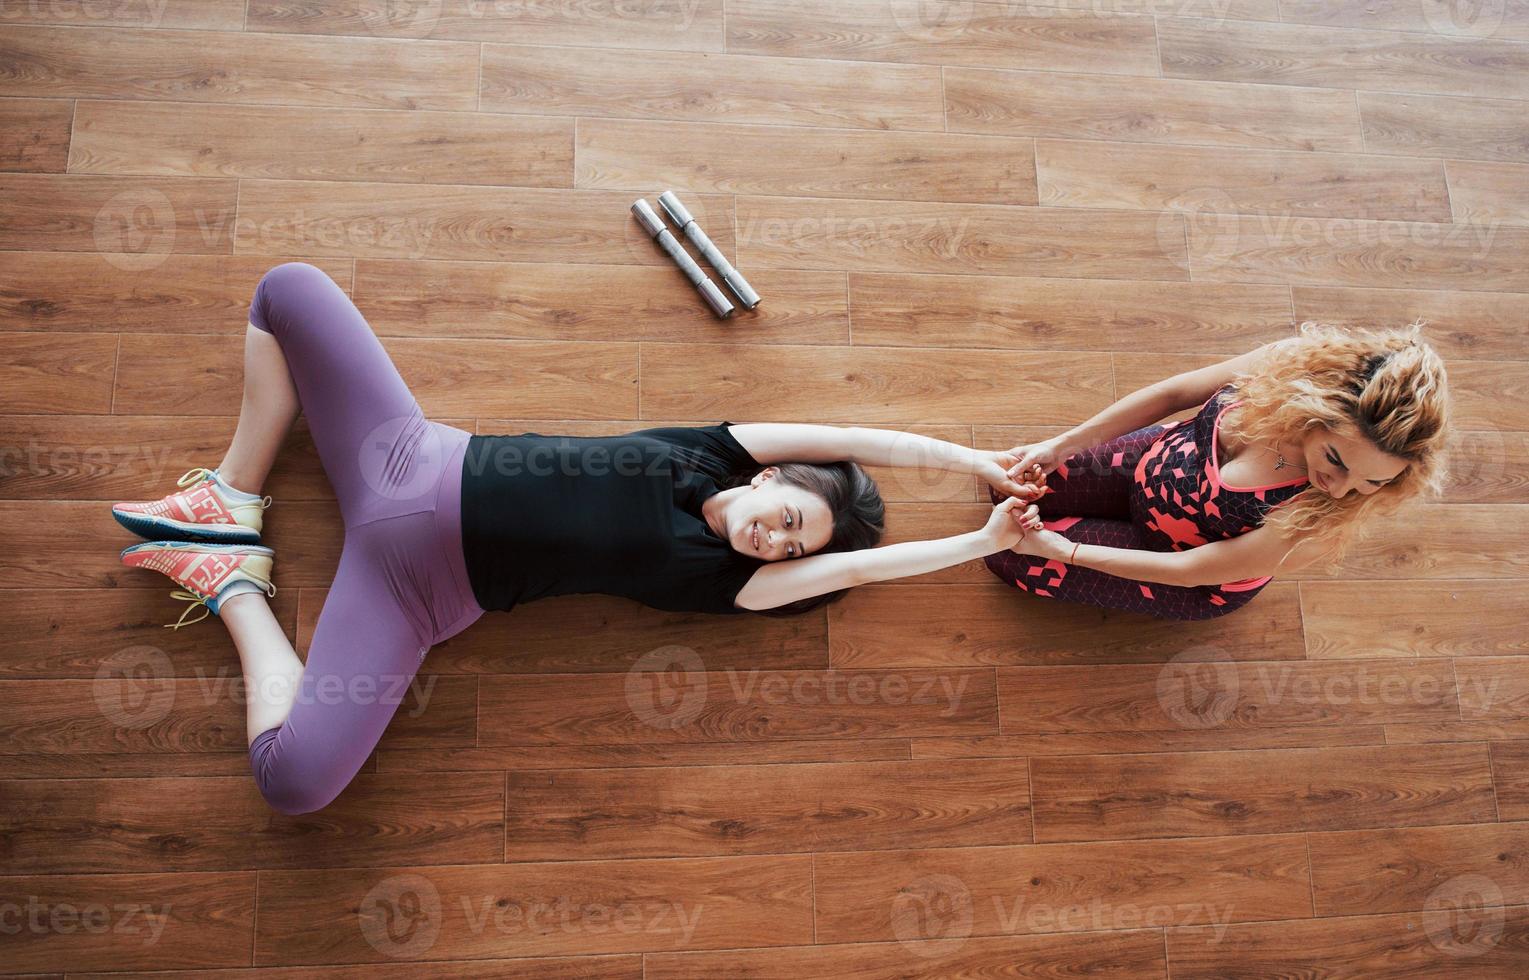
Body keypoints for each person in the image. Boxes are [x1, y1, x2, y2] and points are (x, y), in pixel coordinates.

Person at [111, 262, 1043, 814]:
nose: (778, 543)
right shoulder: (708, 452)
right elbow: (849, 439)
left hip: (415, 593)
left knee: (296, 783)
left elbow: (872, 564)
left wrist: (975, 544)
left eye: (798, 553)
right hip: (402, 460)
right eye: (792, 520)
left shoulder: (719, 584)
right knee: (288, 290)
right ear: (772, 477)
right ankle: (229, 494)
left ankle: (229, 579)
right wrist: (971, 458)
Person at [985, 323, 1450, 620]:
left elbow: (1189, 569)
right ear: (1314, 410)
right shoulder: (1287, 365)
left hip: (1180, 561)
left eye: (1375, 482)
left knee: (1007, 555)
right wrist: (1060, 446)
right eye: (1336, 459)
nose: (1345, 489)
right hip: (1157, 464)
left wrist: (1065, 550)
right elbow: (1174, 395)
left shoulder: (1323, 524)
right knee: (1010, 481)